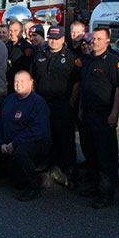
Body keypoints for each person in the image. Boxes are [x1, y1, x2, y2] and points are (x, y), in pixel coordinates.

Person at [77, 27, 119, 209]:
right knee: (91, 154)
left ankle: (106, 193)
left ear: (107, 41)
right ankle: (95, 187)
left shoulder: (114, 62)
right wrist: (81, 107)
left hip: (104, 116)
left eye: (98, 39)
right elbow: (84, 87)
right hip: (88, 113)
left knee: (106, 156)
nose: (94, 42)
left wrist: (114, 113)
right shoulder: (88, 60)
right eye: (93, 39)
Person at [31, 25, 81, 190]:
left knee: (65, 140)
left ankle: (70, 174)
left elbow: (76, 83)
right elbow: (34, 80)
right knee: (46, 137)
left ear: (63, 39)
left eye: (57, 38)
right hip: (43, 103)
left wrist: (71, 103)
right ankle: (47, 170)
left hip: (62, 104)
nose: (53, 41)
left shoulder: (71, 58)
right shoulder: (39, 56)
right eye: (51, 37)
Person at [0, 71, 51, 201]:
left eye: (22, 81)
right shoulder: (9, 99)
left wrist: (14, 143)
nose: (18, 85)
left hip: (33, 143)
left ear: (31, 83)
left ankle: (34, 186)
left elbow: (37, 131)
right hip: (9, 143)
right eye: (16, 82)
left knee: (21, 152)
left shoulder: (38, 102)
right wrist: (0, 143)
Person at [6, 19, 33, 94]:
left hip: (20, 86)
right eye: (10, 31)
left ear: (21, 32)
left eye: (15, 30)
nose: (12, 33)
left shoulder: (26, 48)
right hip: (8, 84)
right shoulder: (7, 45)